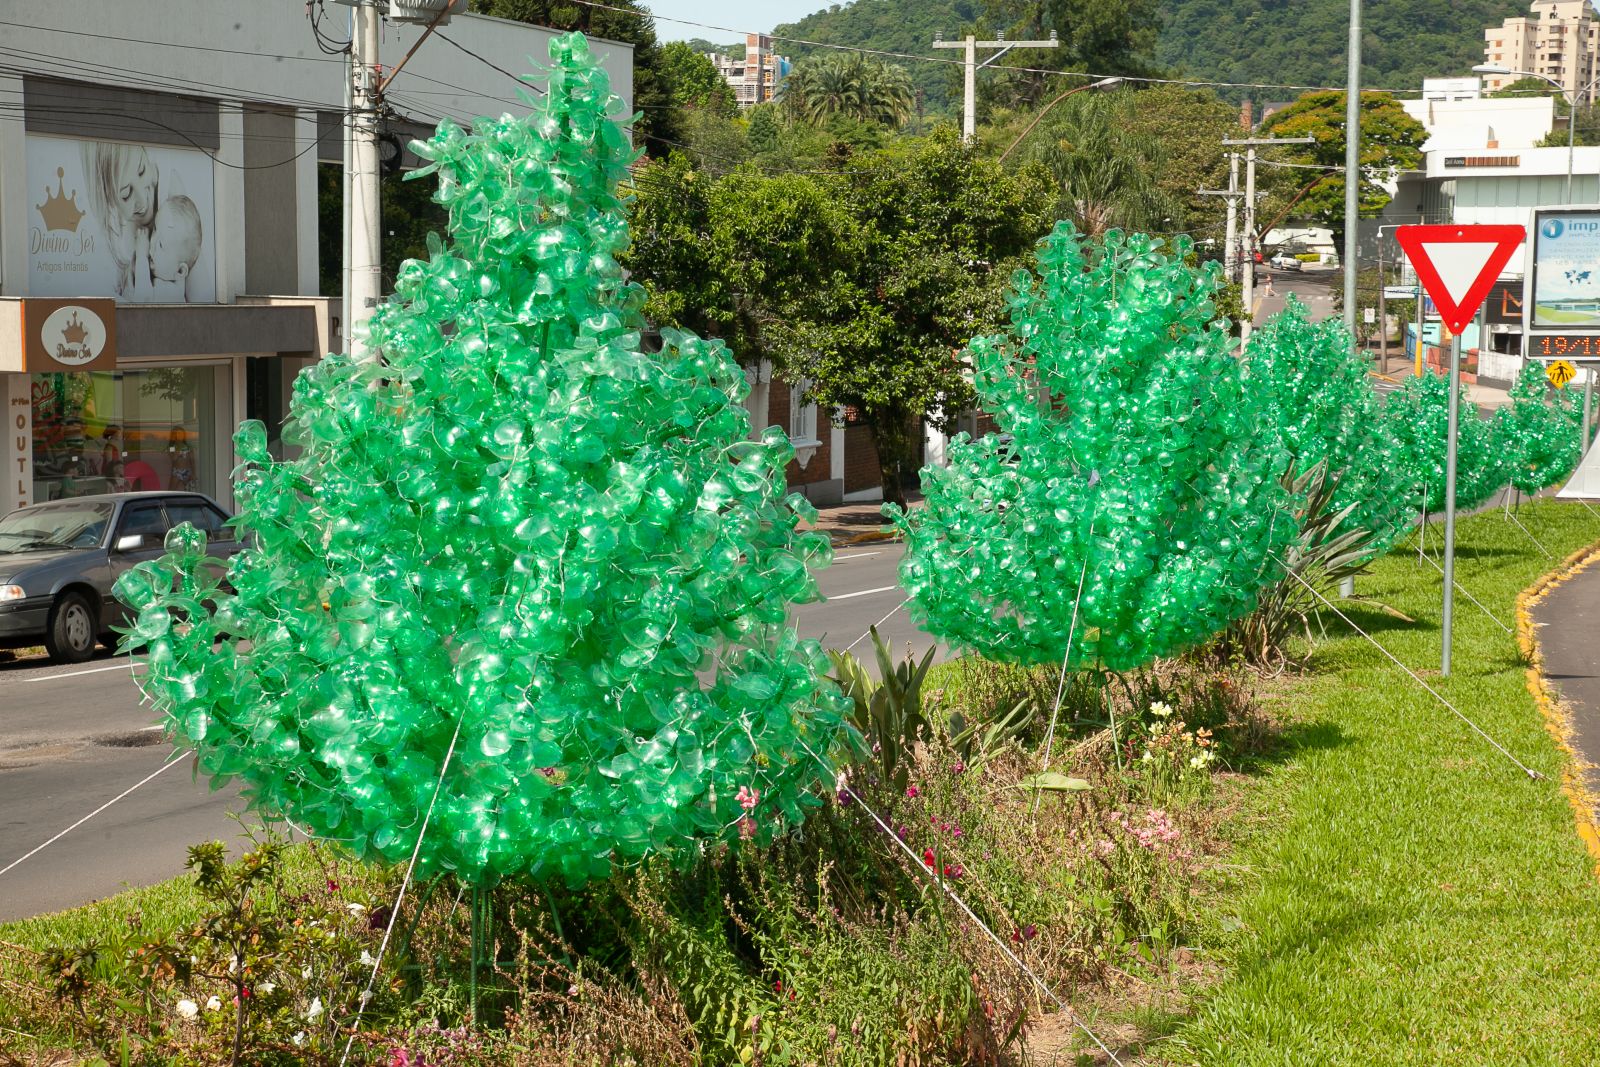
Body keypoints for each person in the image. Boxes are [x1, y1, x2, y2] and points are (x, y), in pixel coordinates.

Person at [81, 142, 158, 300]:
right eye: (126, 194)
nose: (142, 200)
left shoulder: (172, 194)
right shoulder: (114, 247)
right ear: (109, 201)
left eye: (141, 170)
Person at [140, 195, 202, 301]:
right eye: (155, 228)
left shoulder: (171, 294)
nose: (152, 241)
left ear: (180, 271)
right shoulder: (171, 273)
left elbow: (142, 299)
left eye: (161, 245)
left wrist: (141, 255)